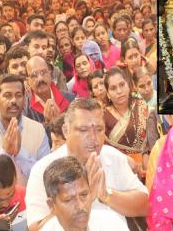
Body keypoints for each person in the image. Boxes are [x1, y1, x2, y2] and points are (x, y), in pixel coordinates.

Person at [25, 98, 149, 231]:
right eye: (83, 130)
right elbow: (35, 228)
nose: (93, 138)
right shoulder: (43, 169)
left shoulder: (113, 157)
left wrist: (106, 195)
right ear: (66, 131)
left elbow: (146, 205)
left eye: (99, 129)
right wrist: (73, 202)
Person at [0, 74, 50, 185]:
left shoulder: (38, 130)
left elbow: (46, 174)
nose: (13, 101)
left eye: (18, 95)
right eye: (7, 96)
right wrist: (5, 153)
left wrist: (20, 154)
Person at [103, 67, 158, 172]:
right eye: (113, 88)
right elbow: (105, 151)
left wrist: (146, 159)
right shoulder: (103, 117)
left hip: (147, 166)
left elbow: (151, 142)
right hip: (118, 170)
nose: (119, 91)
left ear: (128, 85)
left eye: (122, 85)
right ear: (108, 94)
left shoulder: (141, 106)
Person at [41, 156, 92, 231]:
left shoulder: (110, 223)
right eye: (69, 200)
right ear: (51, 205)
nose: (81, 206)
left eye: (84, 195)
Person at [24, 56, 74, 127]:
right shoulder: (25, 109)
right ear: (28, 80)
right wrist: (47, 124)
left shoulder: (70, 99)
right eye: (34, 75)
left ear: (50, 74)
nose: (40, 79)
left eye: (43, 72)